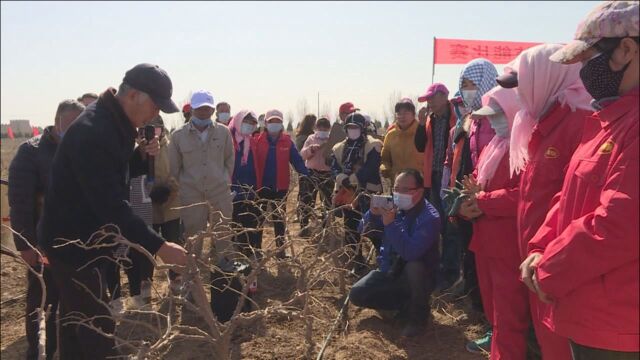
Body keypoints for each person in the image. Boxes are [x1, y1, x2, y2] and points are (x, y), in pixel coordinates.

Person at [37, 63, 188, 359]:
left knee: (76, 322)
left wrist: (142, 155)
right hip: (71, 246)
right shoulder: (95, 131)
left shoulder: (114, 124)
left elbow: (119, 180)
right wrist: (159, 246)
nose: (156, 114)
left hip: (87, 240)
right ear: (134, 95)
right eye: (155, 105)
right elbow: (110, 205)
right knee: (98, 330)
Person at [521, 2, 639, 359]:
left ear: (627, 49)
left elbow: (620, 223)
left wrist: (551, 267)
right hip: (587, 308)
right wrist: (540, 247)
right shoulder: (608, 119)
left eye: (589, 59)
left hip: (618, 326)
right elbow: (569, 195)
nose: (584, 72)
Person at [498, 43, 594, 359]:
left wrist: (548, 256)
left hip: (558, 270)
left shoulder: (578, 124)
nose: (519, 96)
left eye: (522, 86)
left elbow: (576, 203)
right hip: (537, 265)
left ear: (547, 79)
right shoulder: (541, 124)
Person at [8, 99, 85, 360]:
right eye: (71, 124)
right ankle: (40, 351)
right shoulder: (30, 153)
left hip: (78, 245)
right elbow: (20, 203)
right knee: (43, 303)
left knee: (74, 305)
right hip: (43, 246)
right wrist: (26, 246)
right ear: (57, 122)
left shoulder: (82, 150)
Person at [458, 86, 529, 359]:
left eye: (499, 114)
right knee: (494, 310)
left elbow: (525, 193)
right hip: (484, 237)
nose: (494, 120)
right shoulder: (494, 146)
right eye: (491, 115)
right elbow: (475, 183)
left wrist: (483, 201)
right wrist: (466, 205)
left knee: (509, 315)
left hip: (507, 242)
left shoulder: (524, 145)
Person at [350, 169, 441, 337]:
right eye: (396, 188)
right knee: (356, 294)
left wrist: (390, 224)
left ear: (420, 191)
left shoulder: (430, 217)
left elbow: (410, 253)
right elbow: (362, 229)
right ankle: (400, 307)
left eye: (405, 190)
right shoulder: (393, 205)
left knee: (414, 266)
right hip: (389, 269)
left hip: (417, 276)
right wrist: (372, 215)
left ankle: (418, 318)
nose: (399, 193)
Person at [169, 90, 235, 266]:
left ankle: (225, 280)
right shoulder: (178, 136)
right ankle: (191, 282)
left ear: (213, 111)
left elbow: (229, 160)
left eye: (208, 109)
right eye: (200, 109)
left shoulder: (224, 132)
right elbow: (174, 169)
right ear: (192, 110)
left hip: (219, 193)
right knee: (193, 239)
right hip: (192, 196)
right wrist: (182, 190)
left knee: (223, 236)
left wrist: (224, 181)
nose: (204, 113)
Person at [254, 109, 309, 258]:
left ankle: (280, 250)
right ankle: (257, 250)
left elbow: (297, 160)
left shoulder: (287, 141)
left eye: (278, 121)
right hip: (261, 187)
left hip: (280, 187)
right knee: (259, 219)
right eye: (272, 121)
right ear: (266, 123)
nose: (275, 124)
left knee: (279, 219)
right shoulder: (258, 141)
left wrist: (306, 173)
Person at [331, 112, 382, 268]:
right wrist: (341, 177)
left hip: (368, 192)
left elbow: (371, 167)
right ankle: (355, 260)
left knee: (372, 226)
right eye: (350, 127)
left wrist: (353, 178)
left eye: (356, 127)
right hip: (347, 193)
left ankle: (382, 258)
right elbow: (334, 166)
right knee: (350, 227)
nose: (353, 130)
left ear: (363, 128)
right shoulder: (338, 147)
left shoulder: (374, 145)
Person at [147, 115, 183, 293]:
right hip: (148, 205)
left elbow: (178, 170)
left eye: (156, 128)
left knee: (173, 241)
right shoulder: (138, 149)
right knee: (148, 244)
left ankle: (176, 278)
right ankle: (145, 281)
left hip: (172, 204)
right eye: (149, 129)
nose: (153, 133)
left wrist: (170, 190)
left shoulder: (171, 147)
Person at [228, 110, 262, 259]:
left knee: (250, 225)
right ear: (238, 121)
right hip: (232, 191)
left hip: (250, 190)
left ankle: (248, 254)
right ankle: (236, 256)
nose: (249, 126)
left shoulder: (252, 141)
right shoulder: (227, 140)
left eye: (252, 124)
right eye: (246, 122)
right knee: (235, 226)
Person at [299, 116, 335, 237]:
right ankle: (304, 227)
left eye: (325, 127)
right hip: (311, 173)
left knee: (327, 201)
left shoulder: (332, 140)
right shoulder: (311, 138)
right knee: (307, 200)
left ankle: (326, 228)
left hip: (327, 174)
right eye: (320, 126)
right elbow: (302, 155)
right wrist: (311, 149)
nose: (323, 129)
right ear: (316, 127)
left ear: (329, 128)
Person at [380, 98, 423, 186]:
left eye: (406, 113)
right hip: (397, 184)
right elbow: (385, 158)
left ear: (413, 115)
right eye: (399, 113)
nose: (402, 116)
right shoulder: (390, 135)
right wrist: (385, 168)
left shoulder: (422, 132)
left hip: (418, 184)